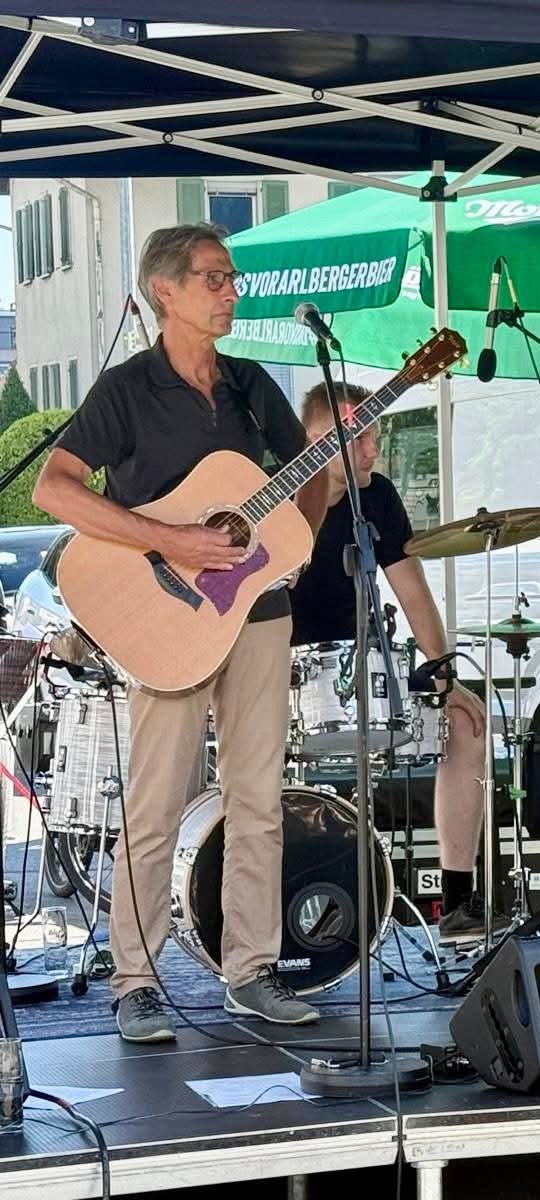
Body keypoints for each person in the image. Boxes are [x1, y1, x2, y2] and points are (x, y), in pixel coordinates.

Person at [34, 223, 330, 1042]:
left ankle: (252, 971)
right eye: (214, 278)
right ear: (165, 291)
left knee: (258, 797)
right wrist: (170, 539)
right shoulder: (127, 390)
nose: (232, 291)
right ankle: (135, 981)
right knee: (156, 801)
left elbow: (302, 475)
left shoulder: (250, 385)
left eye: (232, 278)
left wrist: (300, 536)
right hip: (165, 619)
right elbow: (55, 489)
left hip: (257, 612)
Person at [288, 383, 492, 942]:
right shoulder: (278, 496)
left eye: (375, 438)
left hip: (363, 666)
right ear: (317, 439)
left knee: (469, 725)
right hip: (283, 670)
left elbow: (413, 592)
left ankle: (458, 901)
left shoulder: (377, 497)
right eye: (360, 439)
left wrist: (445, 677)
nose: (373, 450)